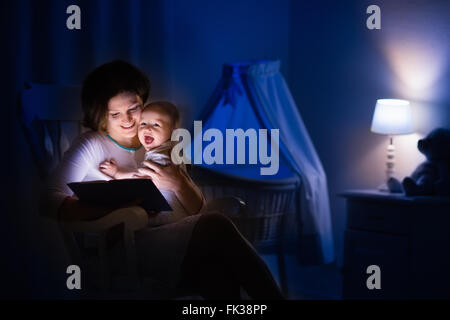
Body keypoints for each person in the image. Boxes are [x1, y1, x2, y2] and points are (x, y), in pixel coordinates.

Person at [40, 60, 284, 300]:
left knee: (217, 271)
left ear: (143, 102)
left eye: (134, 108)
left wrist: (177, 181)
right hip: (123, 247)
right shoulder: (93, 144)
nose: (128, 121)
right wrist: (117, 209)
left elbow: (196, 210)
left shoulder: (158, 140)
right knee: (215, 226)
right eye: (115, 114)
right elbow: (49, 200)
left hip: (165, 236)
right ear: (101, 115)